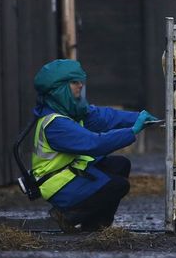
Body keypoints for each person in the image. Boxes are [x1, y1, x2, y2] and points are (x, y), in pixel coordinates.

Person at [31, 59, 158, 233]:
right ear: (59, 89)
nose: (80, 85)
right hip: (58, 185)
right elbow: (94, 143)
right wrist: (132, 131)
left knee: (120, 164)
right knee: (117, 185)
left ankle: (95, 227)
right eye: (74, 82)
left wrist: (138, 117)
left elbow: (105, 117)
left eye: (81, 81)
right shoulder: (55, 124)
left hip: (70, 173)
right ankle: (67, 214)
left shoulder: (71, 112)